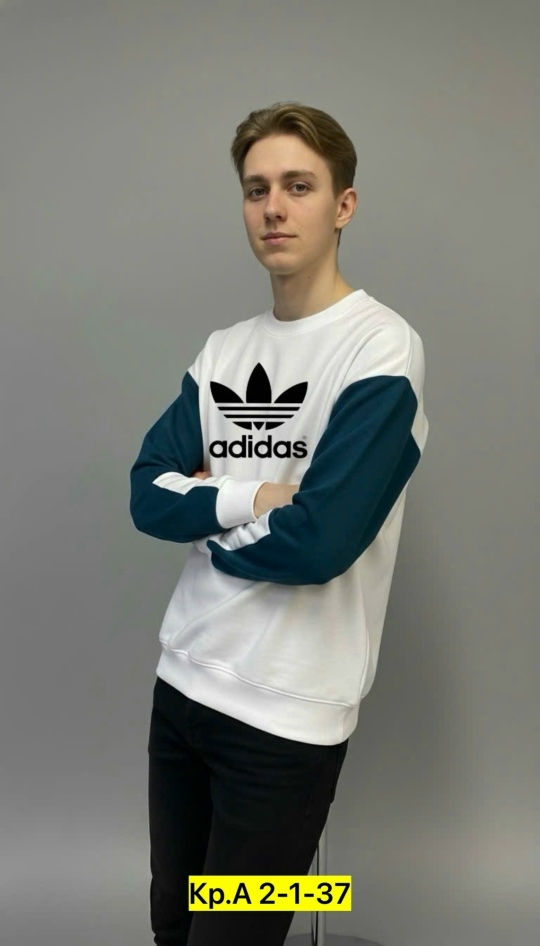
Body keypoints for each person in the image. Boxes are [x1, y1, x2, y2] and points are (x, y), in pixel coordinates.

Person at [129, 100, 429, 946]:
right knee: (173, 925)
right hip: (181, 687)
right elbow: (145, 493)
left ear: (343, 205)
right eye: (257, 188)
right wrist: (257, 498)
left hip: (285, 718)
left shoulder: (380, 348)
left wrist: (203, 512)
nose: (274, 208)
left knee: (237, 936)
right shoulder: (222, 350)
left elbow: (321, 542)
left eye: (299, 186)